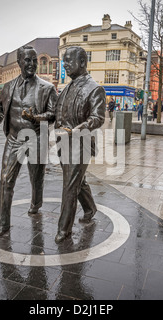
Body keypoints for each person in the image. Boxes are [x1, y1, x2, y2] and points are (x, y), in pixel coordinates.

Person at [0, 45, 58, 239]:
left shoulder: (47, 88)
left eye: (35, 60)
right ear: (19, 62)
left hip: (35, 138)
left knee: (36, 177)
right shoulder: (8, 87)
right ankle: (2, 224)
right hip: (14, 139)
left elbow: (53, 115)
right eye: (27, 60)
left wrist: (36, 117)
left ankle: (36, 202)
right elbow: (0, 109)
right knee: (5, 179)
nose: (32, 64)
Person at [38, 46, 106, 244]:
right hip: (62, 141)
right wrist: (36, 117)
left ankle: (64, 229)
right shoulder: (67, 87)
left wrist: (78, 128)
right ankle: (90, 208)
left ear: (83, 62)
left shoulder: (94, 88)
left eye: (69, 61)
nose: (65, 65)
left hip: (80, 143)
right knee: (77, 181)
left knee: (69, 185)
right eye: (64, 61)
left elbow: (98, 117)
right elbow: (56, 113)